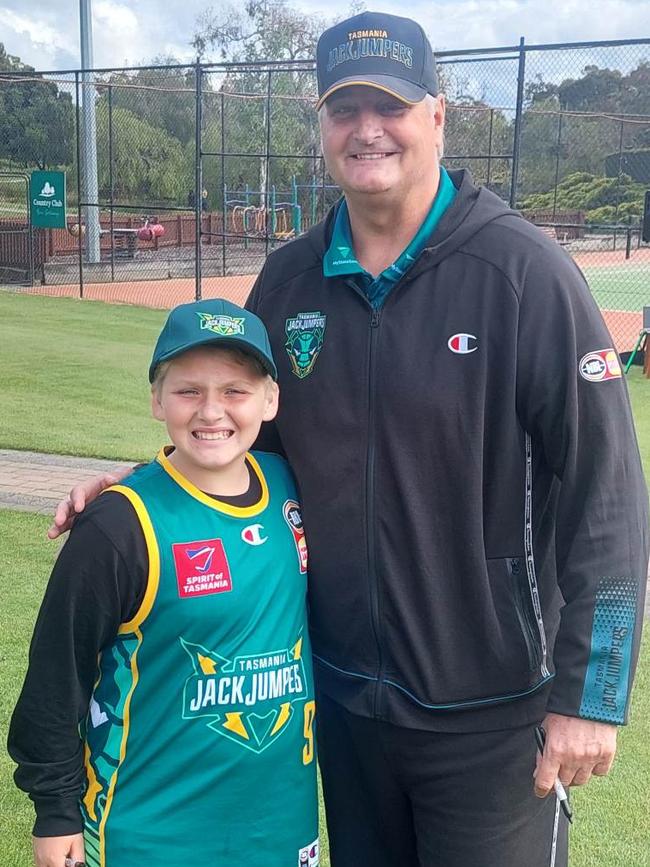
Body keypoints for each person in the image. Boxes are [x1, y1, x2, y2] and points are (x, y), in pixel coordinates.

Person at [49, 11, 649, 867]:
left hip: (492, 710)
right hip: (340, 704)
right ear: (322, 125)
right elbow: (242, 443)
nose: (368, 128)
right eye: (344, 108)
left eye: (391, 105)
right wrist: (145, 489)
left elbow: (609, 492)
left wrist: (591, 695)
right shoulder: (289, 279)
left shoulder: (523, 274)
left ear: (437, 116)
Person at [9, 299, 319, 867]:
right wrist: (55, 812)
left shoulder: (294, 485)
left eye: (235, 391)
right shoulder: (118, 525)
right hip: (150, 829)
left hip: (279, 822)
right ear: (157, 399)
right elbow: (57, 676)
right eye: (188, 390)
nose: (211, 411)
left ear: (270, 400)